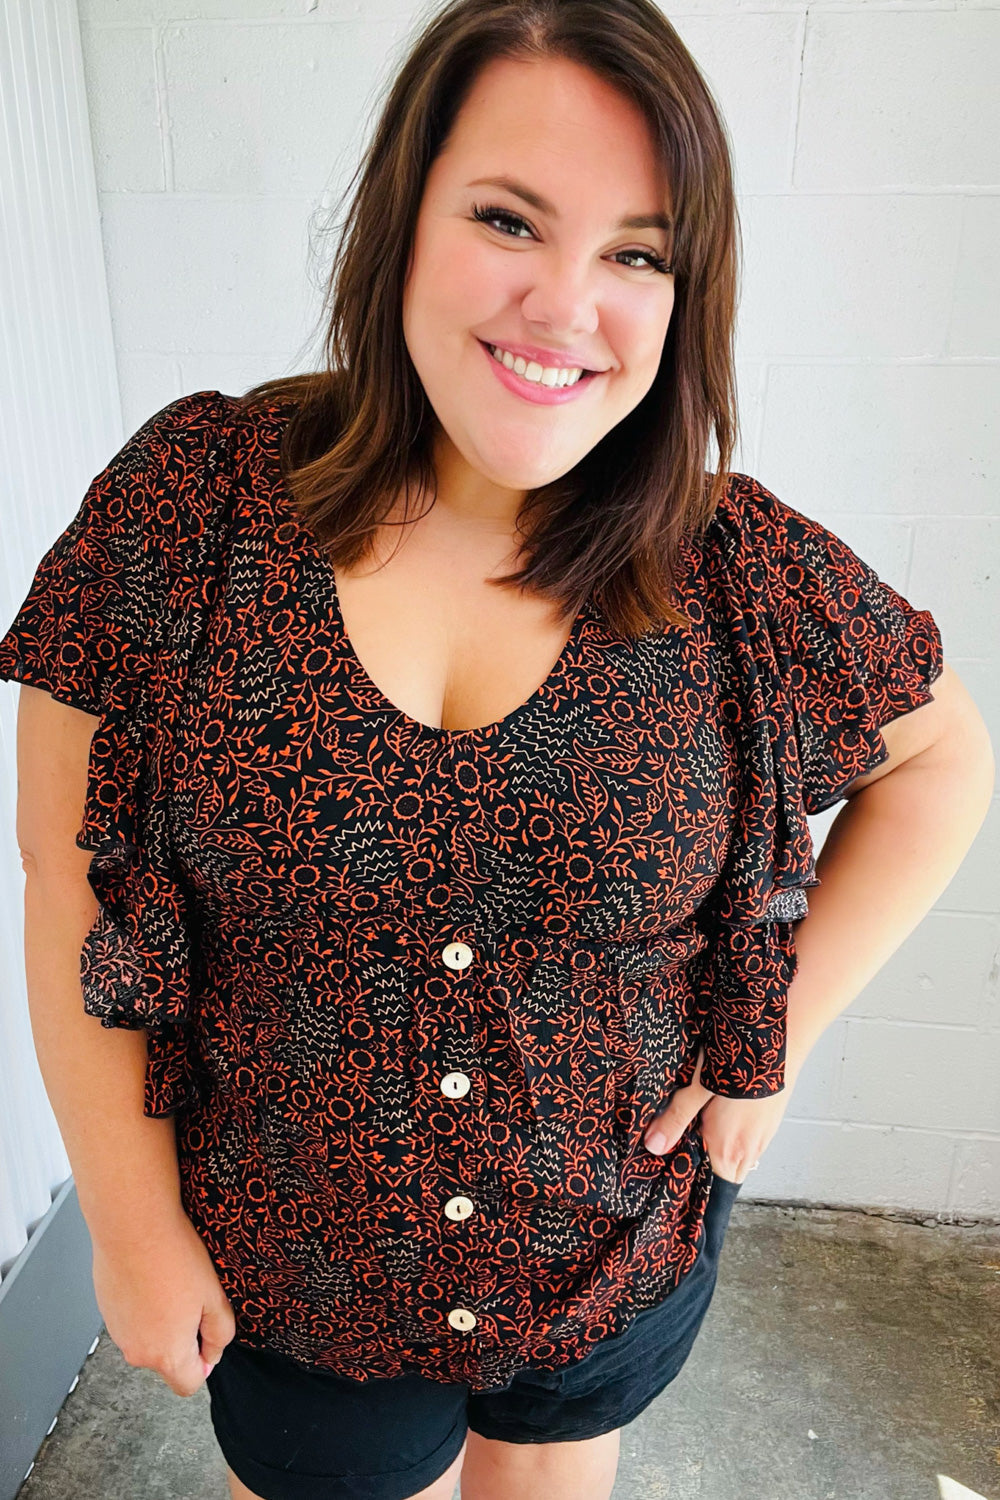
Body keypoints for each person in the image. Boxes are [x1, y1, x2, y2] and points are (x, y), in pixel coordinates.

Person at [0, 1, 992, 1497]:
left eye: (637, 253)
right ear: (403, 219)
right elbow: (65, 872)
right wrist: (132, 1228)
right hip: (292, 1272)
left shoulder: (735, 567)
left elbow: (941, 764)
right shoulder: (189, 508)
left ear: (683, 293)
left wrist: (765, 1043)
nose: (565, 303)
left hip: (609, 1250)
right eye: (508, 219)